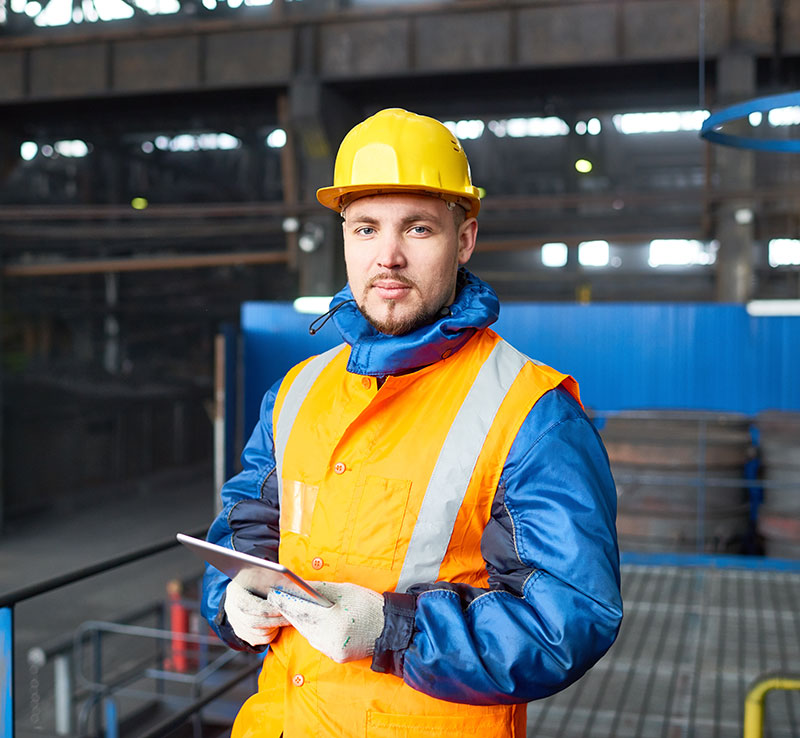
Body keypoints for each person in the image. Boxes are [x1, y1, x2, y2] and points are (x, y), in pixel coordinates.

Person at [201, 107, 622, 738]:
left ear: (466, 239)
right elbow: (248, 526)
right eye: (365, 228)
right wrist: (235, 596)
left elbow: (567, 619)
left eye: (418, 228)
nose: (388, 256)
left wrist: (393, 630)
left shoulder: (532, 413)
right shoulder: (298, 390)